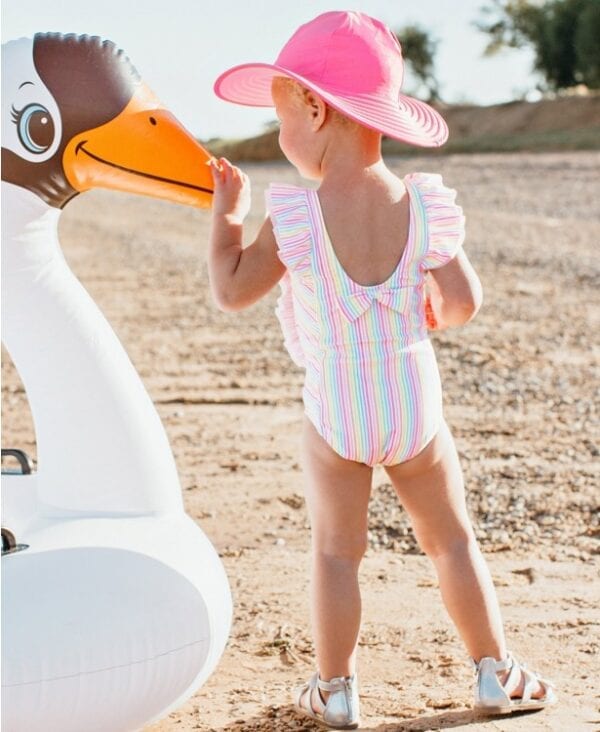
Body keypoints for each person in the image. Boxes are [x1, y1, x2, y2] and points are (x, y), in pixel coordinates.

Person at [207, 11, 556, 728]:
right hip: (412, 399)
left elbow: (233, 291)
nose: (282, 137)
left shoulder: (297, 216)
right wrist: (430, 313)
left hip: (338, 406)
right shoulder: (422, 203)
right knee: (451, 541)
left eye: (280, 119)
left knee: (338, 555)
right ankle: (493, 671)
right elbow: (463, 302)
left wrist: (227, 217)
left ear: (314, 108)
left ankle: (336, 690)